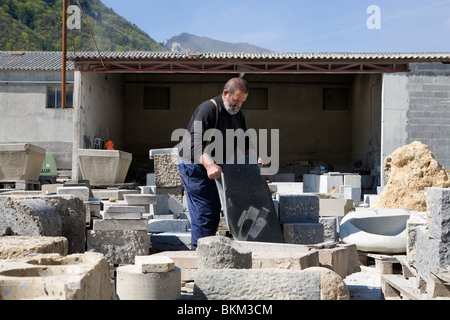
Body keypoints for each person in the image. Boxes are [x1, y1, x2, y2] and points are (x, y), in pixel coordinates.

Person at [177, 77, 254, 249]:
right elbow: (194, 143)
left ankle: (208, 252)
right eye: (236, 100)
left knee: (214, 210)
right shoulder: (208, 109)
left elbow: (245, 141)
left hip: (215, 168)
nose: (238, 105)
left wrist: (254, 161)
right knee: (205, 212)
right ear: (226, 94)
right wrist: (209, 164)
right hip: (195, 167)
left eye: (242, 102)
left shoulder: (237, 115)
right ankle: (200, 254)